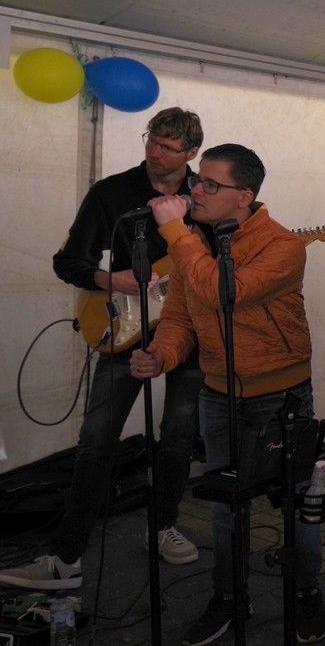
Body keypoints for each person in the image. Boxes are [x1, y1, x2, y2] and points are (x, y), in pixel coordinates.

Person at [127, 143, 325, 646]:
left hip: (280, 395)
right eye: (198, 180)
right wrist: (162, 354)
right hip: (218, 395)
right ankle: (230, 596)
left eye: (211, 184)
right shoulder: (193, 244)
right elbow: (180, 315)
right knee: (224, 506)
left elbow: (223, 291)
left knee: (296, 501)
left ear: (244, 196)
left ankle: (305, 591)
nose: (196, 189)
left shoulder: (283, 246)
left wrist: (175, 233)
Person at [0, 108, 205, 592]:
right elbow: (67, 261)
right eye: (151, 140)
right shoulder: (111, 193)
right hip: (122, 326)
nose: (155, 152)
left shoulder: (204, 197)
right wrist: (109, 279)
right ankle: (65, 553)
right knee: (97, 439)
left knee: (178, 436)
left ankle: (163, 525)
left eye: (168, 147)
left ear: (191, 152)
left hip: (189, 331)